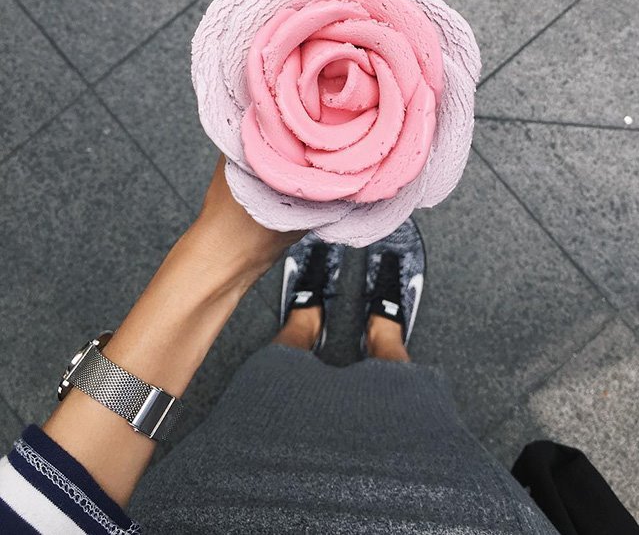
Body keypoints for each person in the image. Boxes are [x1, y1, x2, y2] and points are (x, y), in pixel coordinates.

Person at [0, 156, 558, 534]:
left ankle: (303, 323)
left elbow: (45, 509)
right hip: (457, 510)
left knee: (269, 389)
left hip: (220, 503)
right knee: (413, 406)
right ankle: (384, 335)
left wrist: (224, 251)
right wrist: (223, 254)